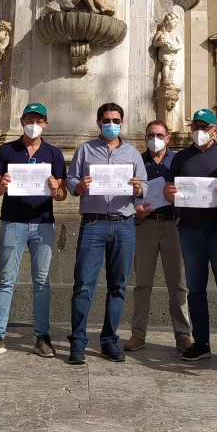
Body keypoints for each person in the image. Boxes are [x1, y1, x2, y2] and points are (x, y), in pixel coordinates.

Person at [0, 102, 67, 360]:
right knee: (6, 279)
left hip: (43, 223)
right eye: (30, 119)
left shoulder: (54, 154)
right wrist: (3, 185)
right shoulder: (6, 151)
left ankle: (42, 336)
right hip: (13, 222)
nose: (34, 124)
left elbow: (61, 195)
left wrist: (55, 190)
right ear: (21, 121)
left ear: (45, 124)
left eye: (39, 121)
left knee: (42, 281)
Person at [66, 102, 146, 364]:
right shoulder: (85, 150)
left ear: (121, 123)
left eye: (116, 120)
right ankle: (77, 341)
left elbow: (143, 185)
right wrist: (79, 185)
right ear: (98, 122)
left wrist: (138, 189)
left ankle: (109, 340)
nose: (111, 124)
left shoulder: (133, 153)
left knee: (118, 286)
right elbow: (70, 181)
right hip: (93, 223)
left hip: (123, 224)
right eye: (106, 120)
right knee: (83, 285)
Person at [164, 109, 217, 364]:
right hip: (189, 230)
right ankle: (201, 342)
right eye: (195, 126)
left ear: (215, 129)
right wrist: (168, 192)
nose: (199, 131)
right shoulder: (180, 157)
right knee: (195, 289)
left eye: (204, 126)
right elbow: (168, 190)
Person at [123, 120, 192, 354]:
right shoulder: (136, 161)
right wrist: (134, 210)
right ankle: (138, 334)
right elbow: (125, 194)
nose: (156, 138)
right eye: (151, 134)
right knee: (142, 282)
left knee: (177, 283)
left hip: (174, 224)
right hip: (145, 224)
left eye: (160, 134)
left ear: (168, 138)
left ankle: (183, 335)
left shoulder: (179, 161)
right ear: (145, 138)